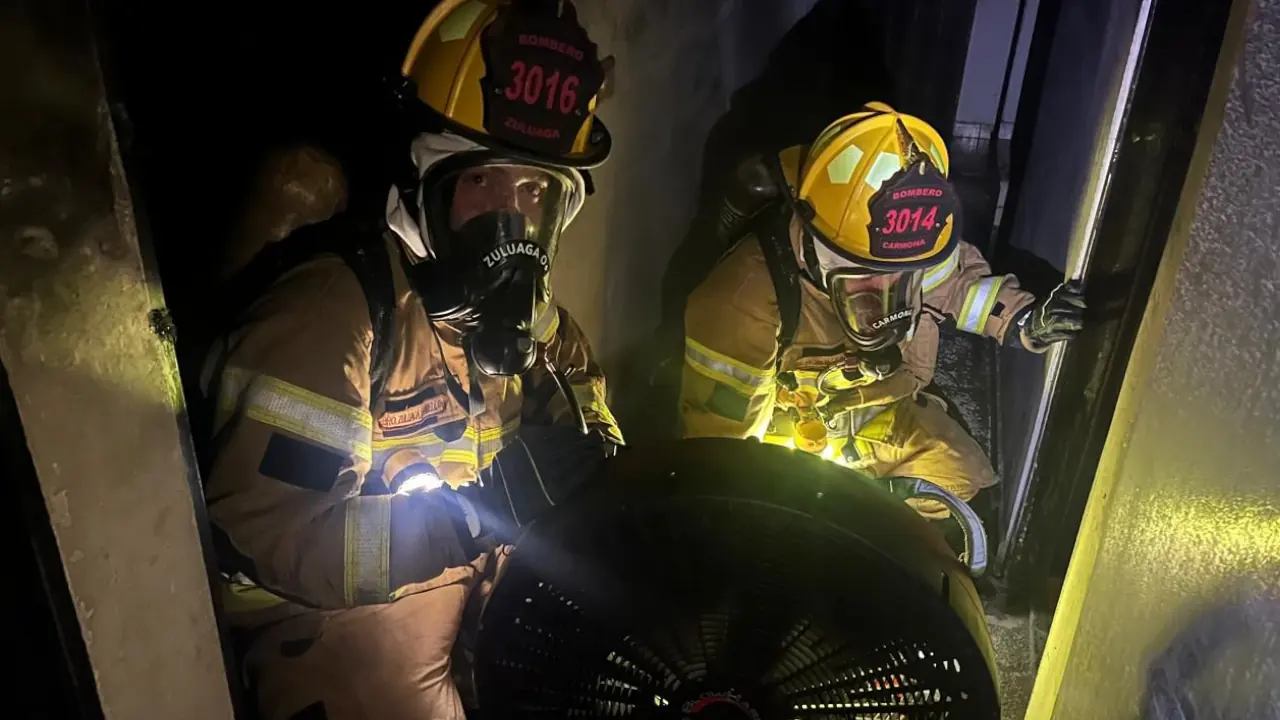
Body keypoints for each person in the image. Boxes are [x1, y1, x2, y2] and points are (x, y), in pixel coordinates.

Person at [199, 1, 621, 718]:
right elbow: (278, 535)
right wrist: (480, 516)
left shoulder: (535, 324)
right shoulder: (335, 313)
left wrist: (592, 452)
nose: (511, 222)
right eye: (481, 184)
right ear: (424, 181)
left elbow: (585, 402)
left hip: (464, 577)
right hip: (326, 613)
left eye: (534, 191)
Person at [679, 103, 1084, 517]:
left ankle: (866, 514)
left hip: (870, 411)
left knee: (958, 482)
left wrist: (1023, 322)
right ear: (818, 244)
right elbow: (724, 450)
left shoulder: (909, 254)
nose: (883, 295)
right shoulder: (741, 303)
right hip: (779, 441)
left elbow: (960, 289)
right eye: (864, 276)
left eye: (900, 277)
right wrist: (753, 509)